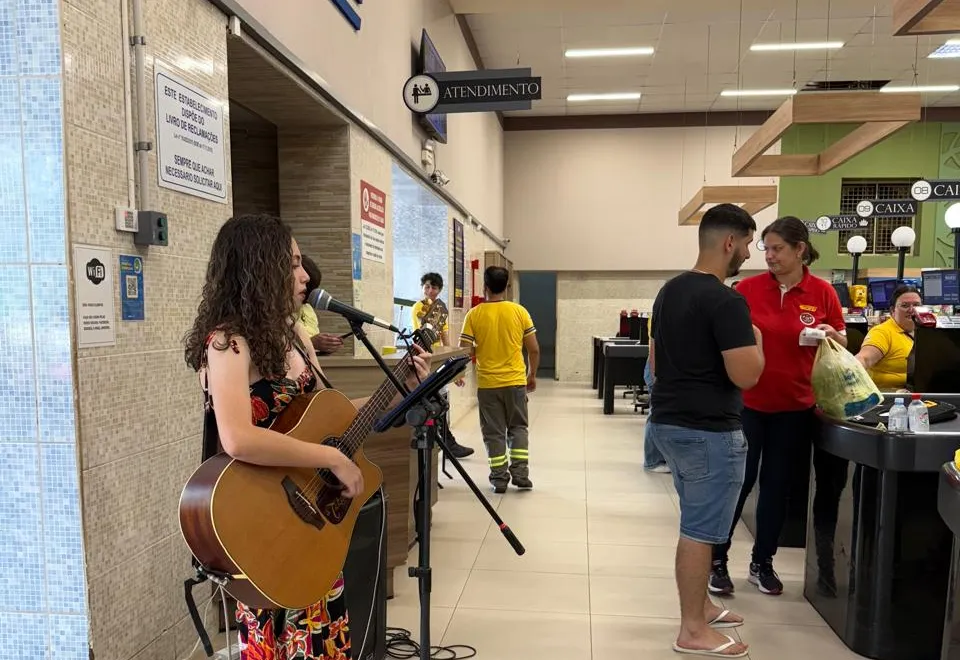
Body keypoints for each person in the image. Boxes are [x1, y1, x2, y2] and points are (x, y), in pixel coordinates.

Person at [183, 214, 429, 660]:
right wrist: (332, 459)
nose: (304, 275)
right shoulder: (228, 343)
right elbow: (237, 437)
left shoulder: (294, 333)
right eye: (292, 263)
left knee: (324, 640)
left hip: (310, 517)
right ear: (260, 267)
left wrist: (399, 384)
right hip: (263, 518)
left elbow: (327, 417)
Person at [709, 216, 848, 598]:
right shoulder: (747, 290)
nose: (768, 256)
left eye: (777, 249)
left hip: (796, 407)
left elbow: (842, 336)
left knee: (777, 487)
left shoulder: (823, 292)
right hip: (748, 404)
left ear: (800, 249)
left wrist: (833, 336)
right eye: (765, 248)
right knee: (738, 483)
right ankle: (717, 560)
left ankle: (762, 562)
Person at [647, 203, 763, 658]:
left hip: (669, 424)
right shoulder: (727, 301)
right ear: (729, 242)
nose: (749, 253)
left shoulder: (669, 291)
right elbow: (747, 375)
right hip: (709, 432)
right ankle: (692, 629)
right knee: (700, 530)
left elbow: (655, 362)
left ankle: (704, 606)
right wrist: (759, 341)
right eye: (749, 243)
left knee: (694, 520)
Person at [459, 266, 539, 493]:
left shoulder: (474, 314)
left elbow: (464, 350)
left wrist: (459, 374)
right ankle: (521, 474)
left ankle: (499, 478)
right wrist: (531, 375)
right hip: (515, 382)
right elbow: (533, 349)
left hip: (488, 385)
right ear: (507, 286)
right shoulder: (519, 312)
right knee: (518, 428)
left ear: (484, 286)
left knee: (493, 432)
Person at [411, 272, 475, 459]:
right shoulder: (419, 307)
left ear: (440, 290)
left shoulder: (441, 309)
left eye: (434, 287)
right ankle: (447, 444)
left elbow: (445, 336)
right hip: (424, 359)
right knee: (435, 402)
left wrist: (451, 364)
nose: (430, 290)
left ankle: (447, 443)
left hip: (438, 359)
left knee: (440, 403)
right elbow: (423, 334)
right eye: (427, 287)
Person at [856, 285, 922, 390]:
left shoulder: (928, 332)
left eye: (917, 305)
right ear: (892, 310)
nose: (912, 310)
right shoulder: (882, 332)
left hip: (921, 395)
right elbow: (864, 358)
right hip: (890, 398)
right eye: (905, 305)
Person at [298, 255, 345, 355]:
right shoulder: (272, 312)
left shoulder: (308, 309)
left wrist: (326, 346)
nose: (307, 297)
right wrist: (311, 343)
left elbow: (312, 352)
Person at [643, 314, 670, 473]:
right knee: (655, 413)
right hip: (656, 367)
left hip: (659, 366)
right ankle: (652, 460)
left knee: (658, 412)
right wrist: (655, 376)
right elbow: (655, 344)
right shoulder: (659, 314)